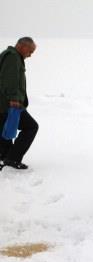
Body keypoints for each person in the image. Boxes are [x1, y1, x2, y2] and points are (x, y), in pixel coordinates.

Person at [0, 37, 38, 170]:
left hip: (5, 103)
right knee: (31, 127)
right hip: (9, 103)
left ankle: (4, 157)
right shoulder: (12, 57)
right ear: (23, 46)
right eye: (30, 51)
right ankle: (12, 159)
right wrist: (14, 99)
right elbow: (9, 80)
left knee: (5, 129)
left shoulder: (11, 56)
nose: (31, 55)